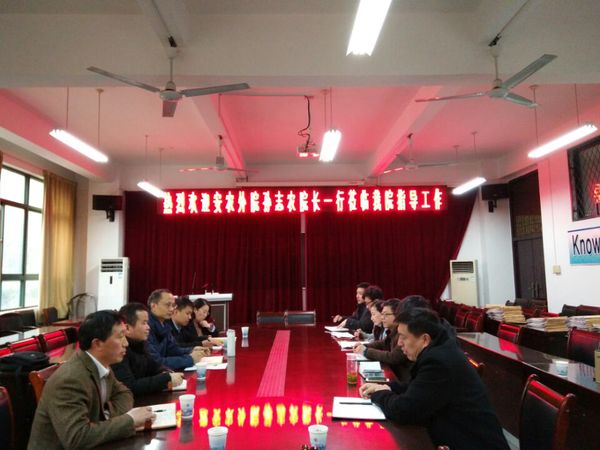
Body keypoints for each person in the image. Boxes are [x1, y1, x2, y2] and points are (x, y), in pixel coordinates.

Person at [359, 308, 509, 450]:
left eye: (403, 337)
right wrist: (389, 387)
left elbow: (404, 411)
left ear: (425, 339)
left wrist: (378, 395)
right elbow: (420, 389)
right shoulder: (440, 350)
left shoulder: (438, 362)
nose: (399, 343)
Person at [28, 310, 155, 450]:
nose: (126, 343)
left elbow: (125, 394)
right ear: (97, 344)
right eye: (120, 336)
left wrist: (105, 418)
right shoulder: (70, 379)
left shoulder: (101, 363)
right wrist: (129, 420)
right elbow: (77, 438)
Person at [112, 303, 184, 396]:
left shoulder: (141, 343)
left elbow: (154, 366)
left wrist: (166, 372)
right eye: (144, 323)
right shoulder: (119, 350)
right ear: (127, 328)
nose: (148, 327)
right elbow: (129, 386)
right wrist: (166, 378)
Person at [146, 289, 206, 370]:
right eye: (168, 305)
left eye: (173, 305)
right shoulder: (146, 328)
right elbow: (156, 362)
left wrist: (191, 350)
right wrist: (190, 359)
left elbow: (173, 349)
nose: (171, 309)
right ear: (153, 306)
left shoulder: (164, 324)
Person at [353, 298, 411, 381]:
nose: (382, 317)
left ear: (397, 315)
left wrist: (366, 351)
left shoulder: (402, 333)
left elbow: (393, 357)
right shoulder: (393, 331)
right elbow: (382, 343)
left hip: (402, 380)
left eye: (386, 314)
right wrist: (364, 346)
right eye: (382, 314)